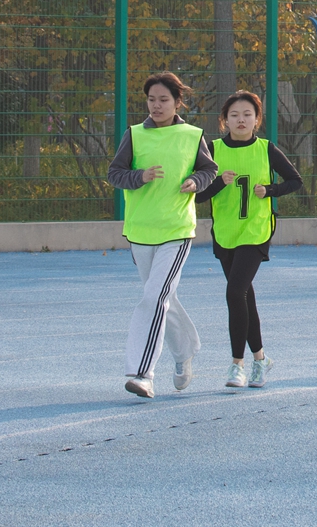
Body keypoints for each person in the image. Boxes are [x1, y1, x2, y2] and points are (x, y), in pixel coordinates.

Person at [108, 72, 217, 397]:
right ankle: (186, 351)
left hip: (176, 230)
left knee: (154, 298)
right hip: (141, 231)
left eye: (163, 100)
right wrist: (139, 176)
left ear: (177, 102)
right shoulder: (134, 135)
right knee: (160, 298)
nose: (156, 106)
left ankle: (142, 373)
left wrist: (196, 182)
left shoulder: (192, 135)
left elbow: (209, 169)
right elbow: (115, 174)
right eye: (151, 100)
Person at [196, 90, 303, 390]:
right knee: (244, 297)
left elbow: (295, 181)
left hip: (255, 232)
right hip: (225, 233)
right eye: (234, 115)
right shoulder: (213, 150)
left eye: (247, 115)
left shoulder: (266, 149)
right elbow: (198, 195)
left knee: (234, 292)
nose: (241, 120)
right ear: (224, 120)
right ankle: (261, 359)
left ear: (257, 120)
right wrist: (219, 183)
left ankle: (237, 365)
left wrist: (270, 191)